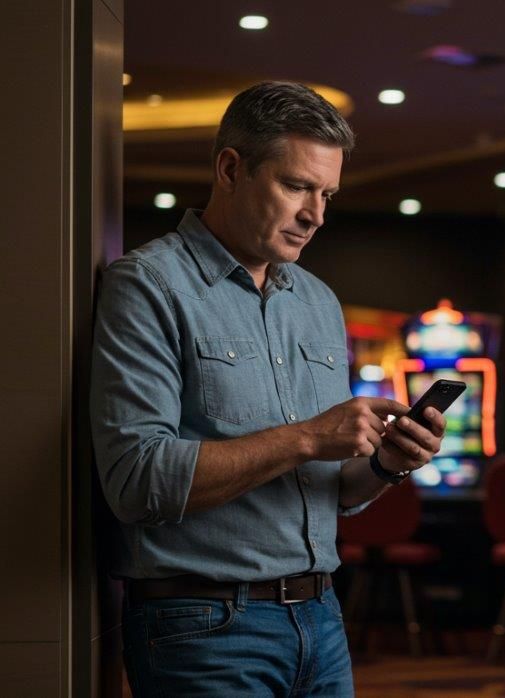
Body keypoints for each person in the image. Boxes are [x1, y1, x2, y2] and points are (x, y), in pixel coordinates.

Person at [89, 81, 446, 696]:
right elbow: (136, 481)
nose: (316, 215)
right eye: (297, 186)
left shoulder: (318, 301)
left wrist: (387, 463)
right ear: (232, 168)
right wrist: (308, 437)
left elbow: (333, 494)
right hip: (203, 626)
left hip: (322, 618)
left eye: (327, 193)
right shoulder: (147, 285)